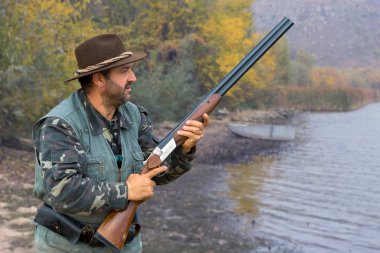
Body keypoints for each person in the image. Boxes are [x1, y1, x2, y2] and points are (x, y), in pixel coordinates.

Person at [32, 34, 209, 253]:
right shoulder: (60, 125)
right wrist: (125, 192)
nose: (133, 77)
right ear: (99, 79)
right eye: (125, 71)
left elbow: (157, 171)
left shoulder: (134, 116)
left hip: (125, 244)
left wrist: (184, 148)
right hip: (67, 247)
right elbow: (63, 192)